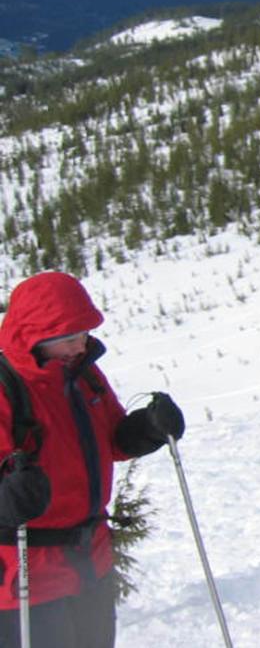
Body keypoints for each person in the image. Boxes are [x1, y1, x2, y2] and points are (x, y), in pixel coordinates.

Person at [0, 271, 185, 647]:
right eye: (69, 338)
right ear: (35, 336)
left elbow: (113, 440)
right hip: (25, 572)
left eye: (83, 334)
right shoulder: (6, 387)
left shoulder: (83, 375)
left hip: (90, 559)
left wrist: (148, 428)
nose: (80, 346)